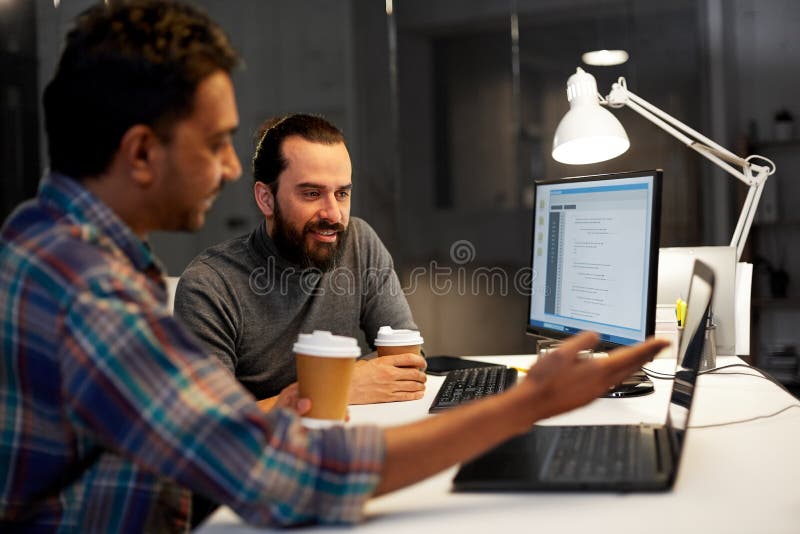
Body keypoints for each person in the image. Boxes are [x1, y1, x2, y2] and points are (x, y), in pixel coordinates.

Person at [0, 1, 669, 531]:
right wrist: (529, 404)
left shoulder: (54, 246)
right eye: (216, 144)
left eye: (341, 192)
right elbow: (283, 475)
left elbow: (395, 371)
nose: (231, 167)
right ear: (142, 153)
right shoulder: (89, 292)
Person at [174, 113, 427, 409]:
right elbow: (206, 427)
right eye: (311, 193)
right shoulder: (209, 285)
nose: (333, 214)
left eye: (342, 193)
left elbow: (409, 364)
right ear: (266, 199)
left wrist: (338, 386)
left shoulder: (358, 242)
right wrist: (335, 389)